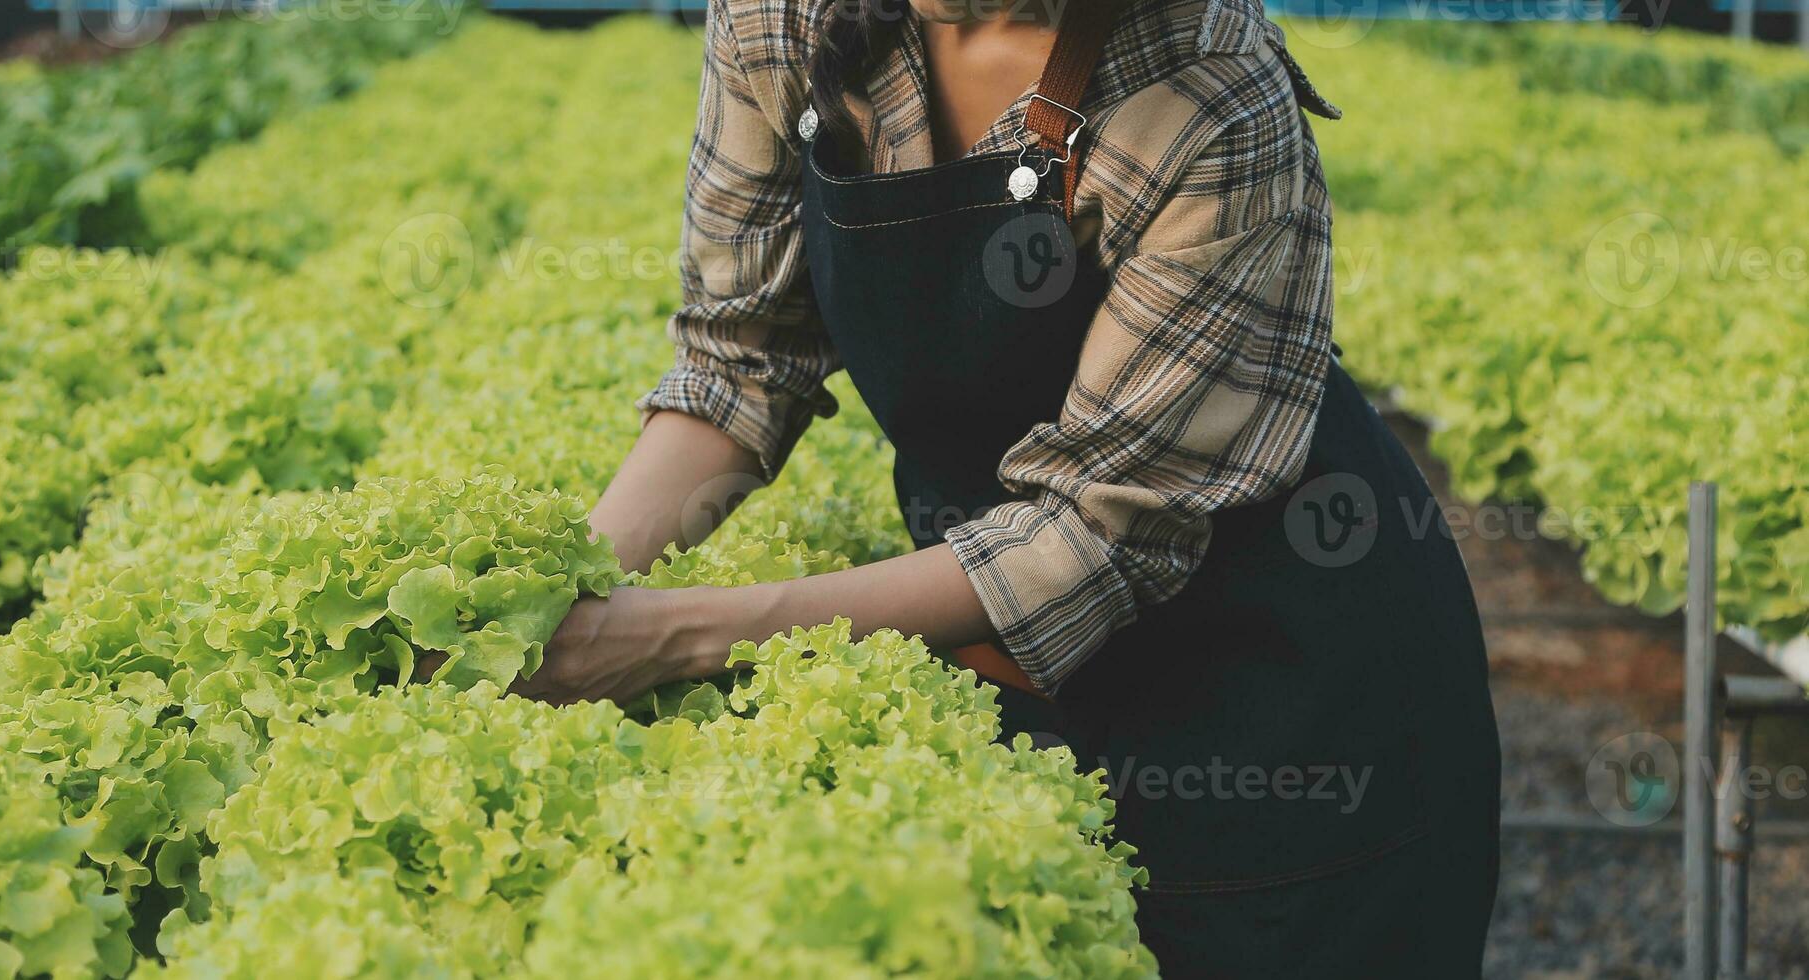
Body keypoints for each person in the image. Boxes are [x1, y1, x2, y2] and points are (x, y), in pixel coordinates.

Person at [514, 0, 1502, 973]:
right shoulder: (781, 17)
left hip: (1288, 712)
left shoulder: (1208, 93)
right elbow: (739, 358)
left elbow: (1097, 534)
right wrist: (562, 603)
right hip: (1010, 650)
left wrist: (676, 632)